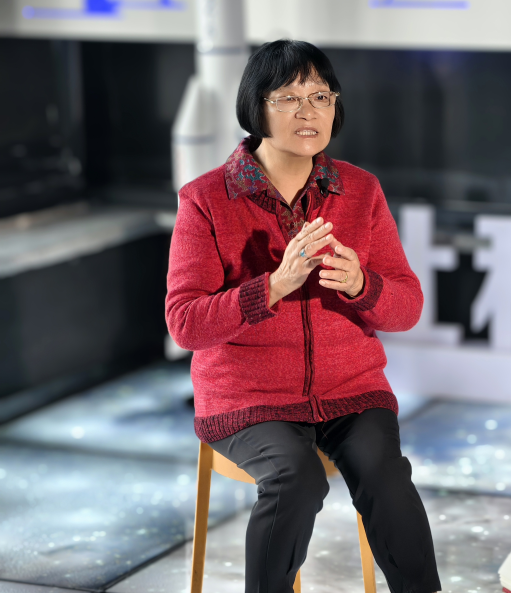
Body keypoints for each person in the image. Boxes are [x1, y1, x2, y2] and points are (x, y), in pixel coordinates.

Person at [165, 40, 441, 593]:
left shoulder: (360, 190)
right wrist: (272, 286)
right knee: (296, 477)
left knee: (386, 476)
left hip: (350, 388)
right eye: (288, 97)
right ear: (256, 106)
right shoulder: (206, 199)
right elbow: (185, 322)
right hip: (249, 398)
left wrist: (362, 285)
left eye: (321, 96)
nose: (308, 111)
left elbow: (407, 306)